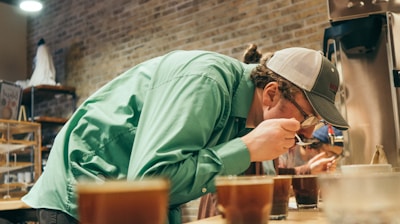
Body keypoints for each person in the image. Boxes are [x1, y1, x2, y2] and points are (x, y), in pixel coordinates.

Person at [22, 46, 349, 224]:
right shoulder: (206, 80)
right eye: (307, 117)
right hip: (79, 196)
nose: (307, 130)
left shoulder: (243, 119)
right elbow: (150, 179)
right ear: (272, 93)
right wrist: (246, 149)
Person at [278, 124, 344, 175]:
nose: (332, 160)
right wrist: (306, 170)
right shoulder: (286, 149)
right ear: (311, 146)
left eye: (336, 156)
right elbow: (274, 175)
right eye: (329, 154)